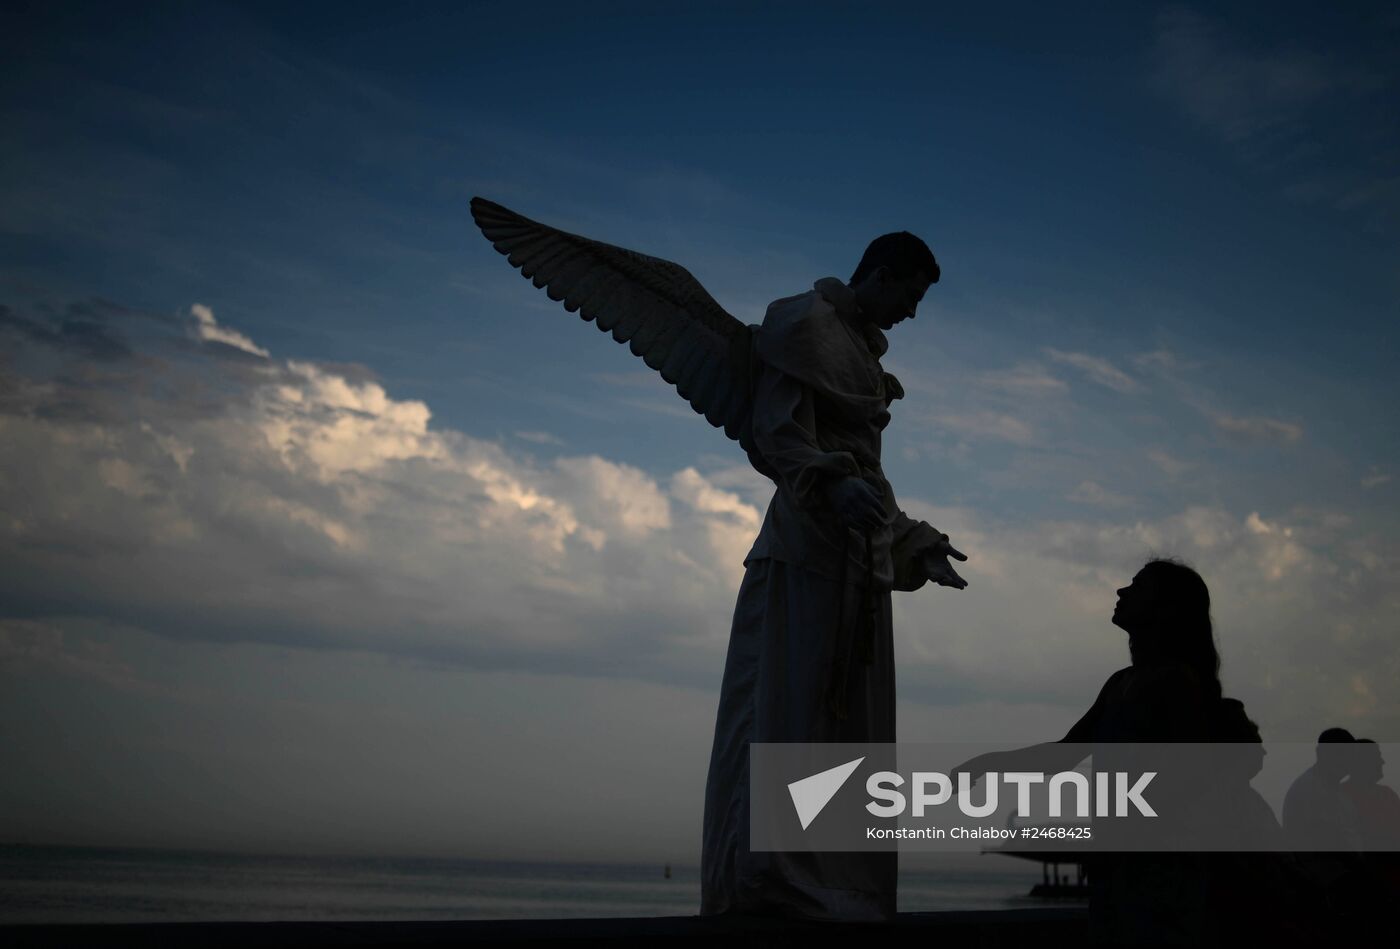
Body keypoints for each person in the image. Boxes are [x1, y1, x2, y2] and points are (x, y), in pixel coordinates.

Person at [700, 233, 968, 921]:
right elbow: (778, 435)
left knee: (848, 725)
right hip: (804, 551)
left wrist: (913, 543)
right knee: (793, 715)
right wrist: (830, 485)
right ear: (881, 275)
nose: (911, 313)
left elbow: (865, 472)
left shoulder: (861, 352)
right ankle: (782, 878)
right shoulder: (804, 325)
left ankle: (840, 877)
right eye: (910, 295)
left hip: (858, 558)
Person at [955, 559, 1222, 944]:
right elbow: (1066, 754)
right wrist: (989, 763)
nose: (1122, 591)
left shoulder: (1176, 683)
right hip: (1119, 874)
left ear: (1166, 608)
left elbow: (1187, 786)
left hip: (1158, 880)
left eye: (1137, 586)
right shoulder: (1122, 683)